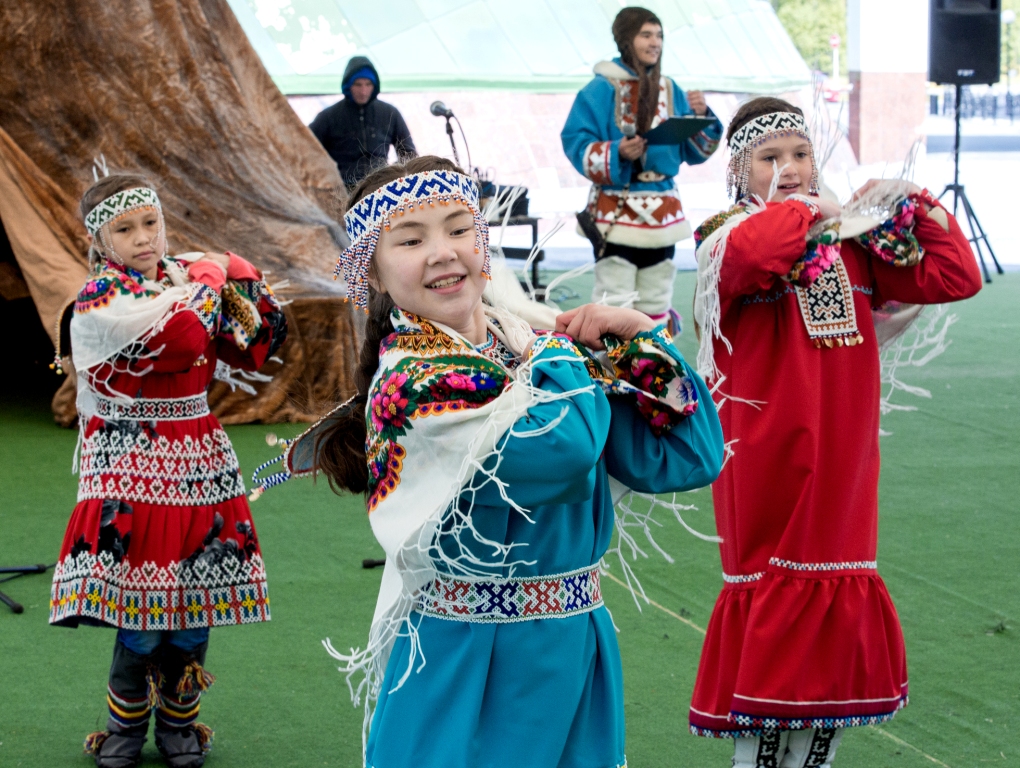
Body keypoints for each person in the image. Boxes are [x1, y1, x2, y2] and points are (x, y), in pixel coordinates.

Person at [263, 154, 723, 767]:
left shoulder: (525, 351)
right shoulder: (415, 384)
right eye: (410, 239)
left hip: (573, 647)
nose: (443, 252)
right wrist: (559, 348)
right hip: (471, 663)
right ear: (371, 270)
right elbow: (563, 451)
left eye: (459, 227)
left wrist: (643, 336)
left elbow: (688, 458)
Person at [687, 97, 982, 767]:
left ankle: (816, 758)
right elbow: (761, 250)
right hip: (761, 455)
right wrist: (815, 209)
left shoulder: (853, 248)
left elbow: (955, 275)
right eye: (770, 158)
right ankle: (753, 759)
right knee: (769, 591)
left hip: (843, 457)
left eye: (801, 155)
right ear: (737, 171)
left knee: (836, 585)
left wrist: (913, 202)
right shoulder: (722, 238)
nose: (790, 169)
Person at [50, 173, 287, 768]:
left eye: (150, 223)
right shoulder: (103, 297)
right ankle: (124, 729)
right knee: (140, 610)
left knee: (192, 605)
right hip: (130, 458)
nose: (143, 238)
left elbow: (257, 341)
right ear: (101, 240)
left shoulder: (178, 279)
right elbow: (183, 338)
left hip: (197, 453)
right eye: (125, 229)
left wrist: (239, 267)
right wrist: (214, 273)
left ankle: (180, 725)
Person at [561, 6, 723, 332]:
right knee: (613, 298)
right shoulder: (601, 88)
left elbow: (696, 150)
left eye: (659, 35)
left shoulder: (670, 88)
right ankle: (610, 376)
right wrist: (616, 151)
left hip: (663, 209)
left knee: (657, 297)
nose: (655, 42)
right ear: (626, 39)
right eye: (646, 35)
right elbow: (575, 140)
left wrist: (701, 115)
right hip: (615, 211)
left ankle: (654, 371)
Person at [309, 56, 416, 188]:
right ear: (348, 85)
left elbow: (408, 152)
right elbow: (306, 149)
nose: (363, 91)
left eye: (368, 84)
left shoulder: (389, 113)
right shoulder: (328, 117)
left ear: (375, 85)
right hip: (341, 191)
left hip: (381, 187)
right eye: (358, 84)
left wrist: (395, 176)